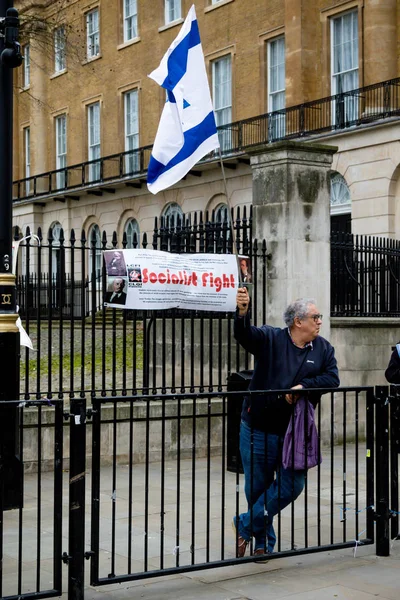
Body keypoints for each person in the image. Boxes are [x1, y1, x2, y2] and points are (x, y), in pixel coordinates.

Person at [232, 288, 339, 559]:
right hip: (258, 428)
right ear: (297, 321)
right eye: (315, 317)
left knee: (292, 485)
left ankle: (243, 524)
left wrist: (303, 386)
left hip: (295, 433)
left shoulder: (324, 348)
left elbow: (332, 379)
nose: (319, 321)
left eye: (319, 317)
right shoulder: (271, 338)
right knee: (257, 487)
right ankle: (262, 544)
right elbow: (244, 335)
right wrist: (242, 313)